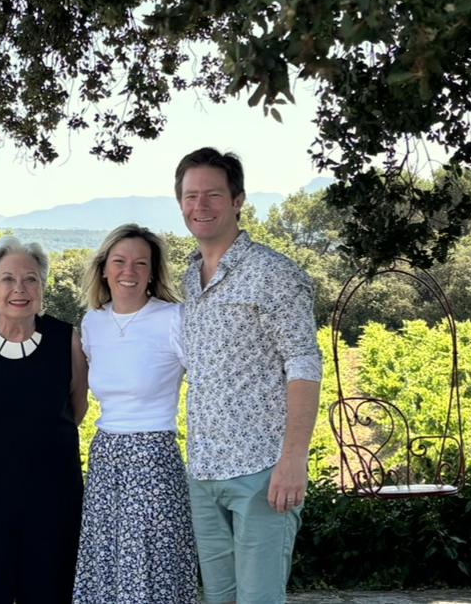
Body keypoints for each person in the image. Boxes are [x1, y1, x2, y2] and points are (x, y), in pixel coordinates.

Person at [175, 148, 323, 604]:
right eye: (190, 195)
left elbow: (304, 363)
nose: (200, 206)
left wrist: (293, 459)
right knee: (219, 599)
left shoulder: (274, 273)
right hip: (203, 471)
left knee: (259, 599)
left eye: (213, 195)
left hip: (263, 470)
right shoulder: (188, 279)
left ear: (238, 200)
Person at [0, 236, 88, 604]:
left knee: (50, 590)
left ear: (42, 287)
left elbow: (76, 408)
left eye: (31, 279)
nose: (19, 289)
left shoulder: (66, 339)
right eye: (8, 279)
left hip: (54, 496)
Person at [72, 224, 198, 604]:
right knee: (107, 561)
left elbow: (208, 384)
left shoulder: (174, 318)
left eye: (140, 263)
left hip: (154, 457)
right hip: (106, 454)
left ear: (152, 272)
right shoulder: (93, 322)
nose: (129, 271)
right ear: (104, 268)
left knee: (151, 562)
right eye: (120, 261)